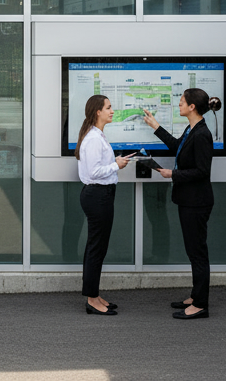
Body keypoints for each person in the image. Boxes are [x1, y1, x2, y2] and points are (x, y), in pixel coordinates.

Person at [143, 89, 220, 320]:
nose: (179, 105)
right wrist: (156, 127)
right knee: (193, 250)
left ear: (192, 107)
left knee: (197, 253)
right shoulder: (192, 129)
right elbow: (178, 147)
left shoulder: (202, 134)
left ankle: (200, 305)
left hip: (197, 202)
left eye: (181, 102)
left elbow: (202, 171)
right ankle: (196, 296)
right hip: (189, 200)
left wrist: (173, 174)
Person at [76, 94, 131, 315]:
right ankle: (92, 300)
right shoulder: (93, 138)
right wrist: (116, 165)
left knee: (98, 248)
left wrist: (113, 163)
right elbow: (94, 172)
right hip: (97, 196)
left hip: (102, 195)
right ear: (97, 111)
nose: (112, 111)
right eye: (108, 107)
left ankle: (95, 295)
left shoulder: (97, 135)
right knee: (96, 249)